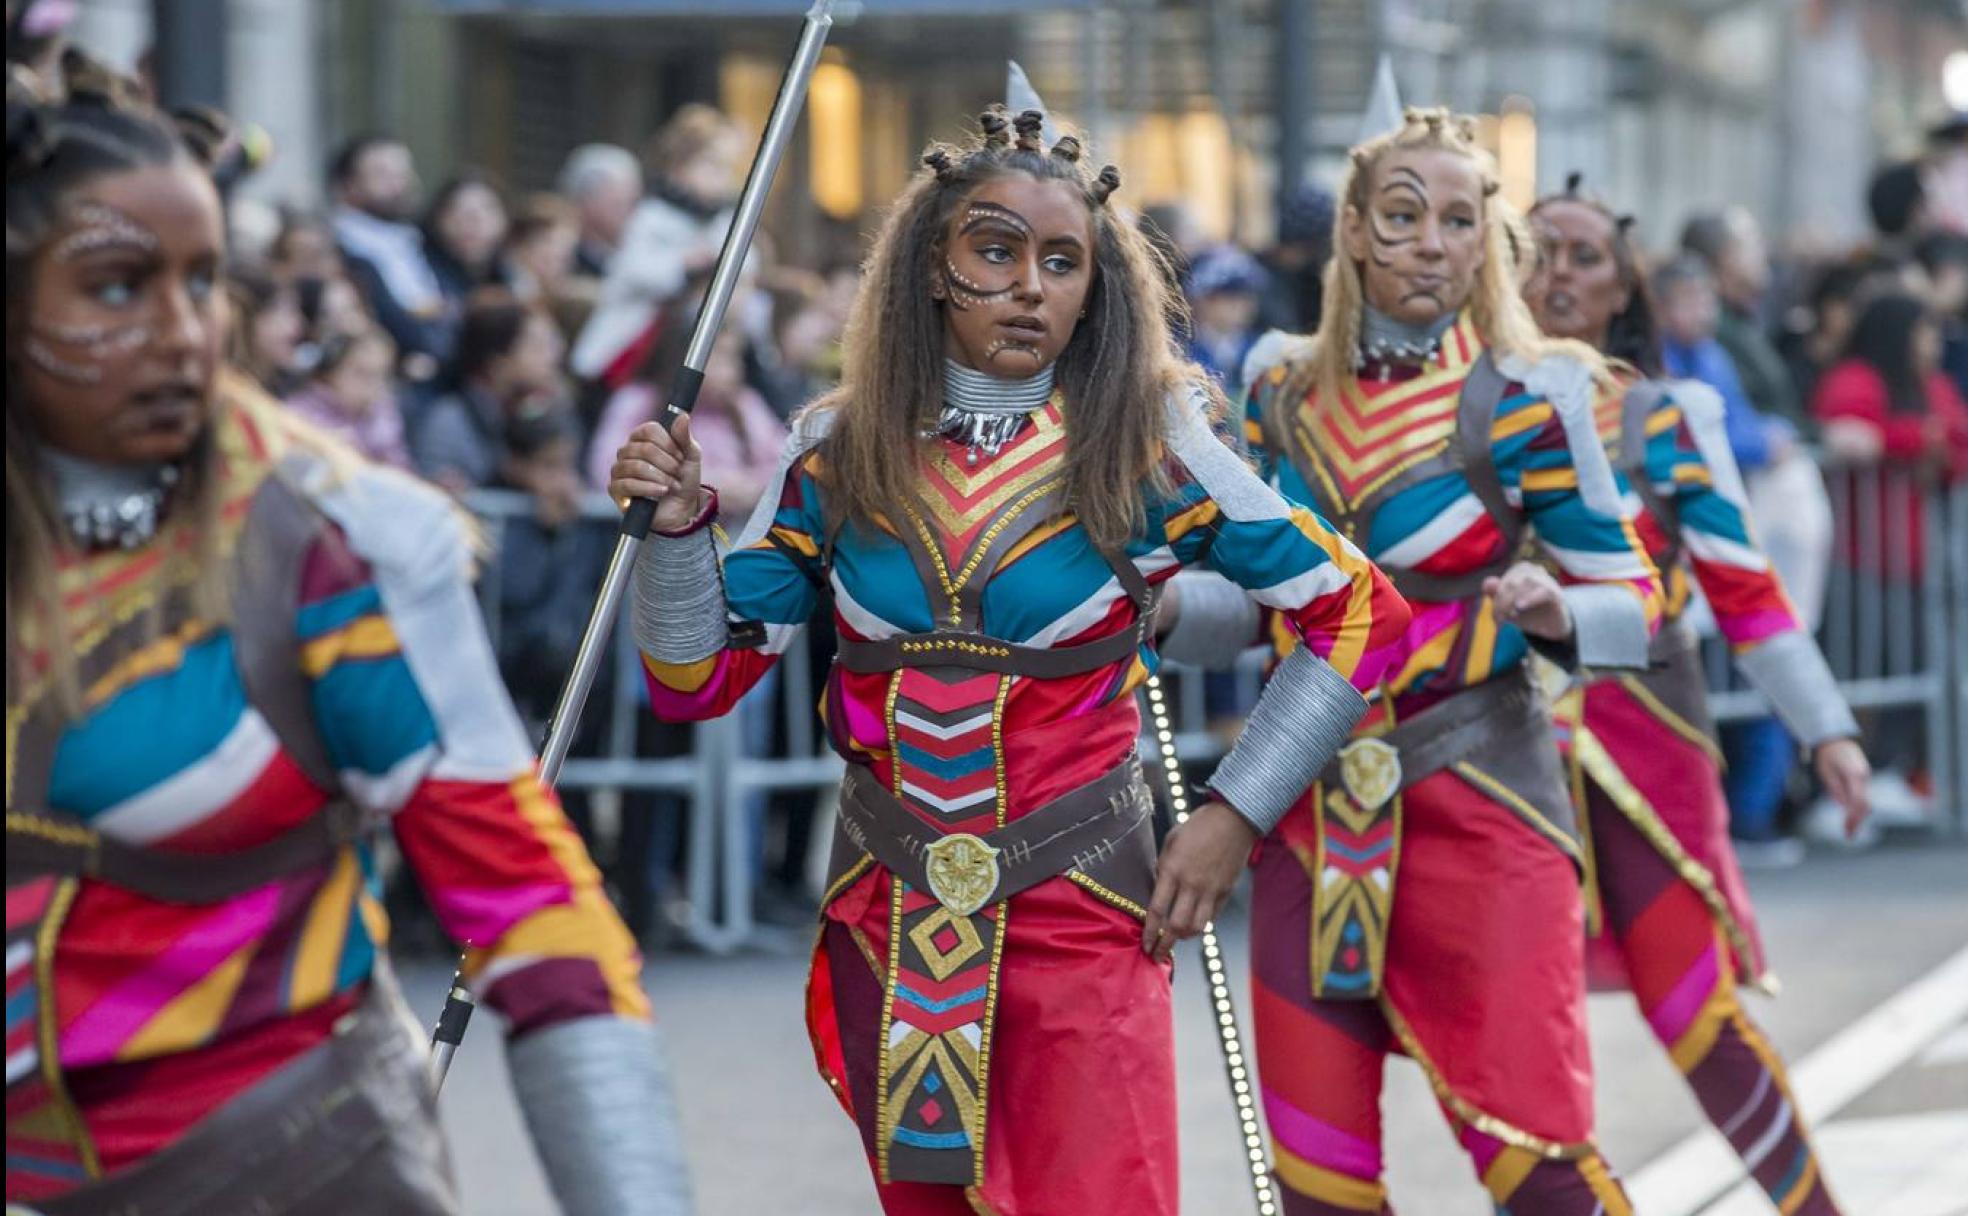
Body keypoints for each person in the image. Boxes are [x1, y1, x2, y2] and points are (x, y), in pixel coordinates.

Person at [610, 107, 1408, 1215]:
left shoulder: (1152, 444)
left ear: (1096, 287)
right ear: (934, 271)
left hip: (1081, 915)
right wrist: (676, 533)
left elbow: (1358, 610)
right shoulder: (835, 454)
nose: (1031, 285)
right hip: (891, 926)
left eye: (1062, 260)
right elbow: (694, 678)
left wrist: (1235, 815)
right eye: (996, 251)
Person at [3, 64, 689, 1215]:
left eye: (206, 279)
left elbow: (532, 911)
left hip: (279, 1169)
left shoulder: (342, 542)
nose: (183, 332)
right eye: (119, 286)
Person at [1218, 108, 1660, 1213]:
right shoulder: (1276, 396)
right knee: (1316, 1178)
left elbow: (1633, 601)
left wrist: (1557, 605)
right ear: (1357, 233)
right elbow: (1233, 605)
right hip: (1309, 808)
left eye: (1459, 219)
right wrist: (1124, 591)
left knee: (1539, 1155)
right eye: (1403, 216)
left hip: (1482, 790)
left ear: (1484, 242)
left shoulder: (1531, 395)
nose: (1430, 241)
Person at [1525, 177, 1870, 1216]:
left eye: (1587, 254)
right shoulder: (1442, 415)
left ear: (1625, 280)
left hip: (1646, 740)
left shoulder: (1661, 416)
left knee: (1696, 1010)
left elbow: (1748, 590)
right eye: (1540, 250)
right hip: (1489, 750)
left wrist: (1830, 731)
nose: (1563, 274)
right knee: (1516, 1036)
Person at [572, 104, 747, 385]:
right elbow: (635, 270)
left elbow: (747, 265)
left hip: (686, 351)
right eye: (710, 164)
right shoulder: (652, 214)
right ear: (679, 166)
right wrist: (685, 264)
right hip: (632, 349)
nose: (721, 177)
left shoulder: (724, 220)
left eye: (727, 167)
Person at [413, 288, 568, 497]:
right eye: (537, 347)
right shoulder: (449, 425)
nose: (551, 359)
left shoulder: (541, 413)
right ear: (498, 364)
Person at [327, 133, 446, 367]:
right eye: (382, 174)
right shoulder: (338, 247)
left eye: (402, 173)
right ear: (348, 184)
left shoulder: (423, 240)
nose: (398, 184)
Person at [283, 325, 413, 469]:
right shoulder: (299, 412)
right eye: (361, 373)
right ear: (332, 371)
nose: (371, 385)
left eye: (380, 375)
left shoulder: (384, 414)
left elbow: (400, 471)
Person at [422, 170, 512, 316]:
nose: (471, 223)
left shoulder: (512, 278)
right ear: (438, 219)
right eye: (457, 210)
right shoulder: (416, 273)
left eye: (486, 209)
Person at [1183, 243, 1269, 392]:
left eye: (1247, 296)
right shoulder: (1178, 350)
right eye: (1229, 296)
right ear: (1199, 299)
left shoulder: (1261, 351)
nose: (1240, 305)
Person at [558, 141, 643, 279]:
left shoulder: (638, 255)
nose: (632, 213)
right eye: (618, 204)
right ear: (586, 201)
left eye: (634, 202)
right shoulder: (562, 261)